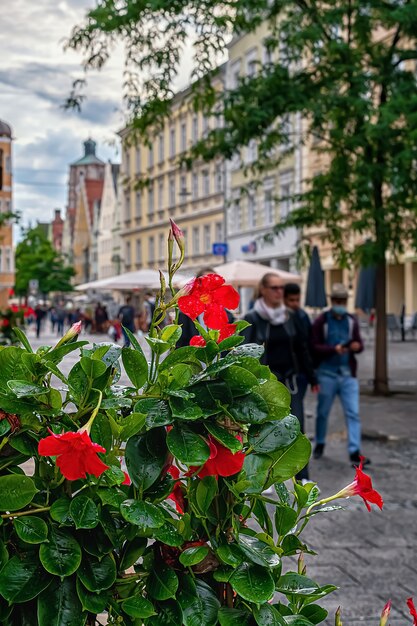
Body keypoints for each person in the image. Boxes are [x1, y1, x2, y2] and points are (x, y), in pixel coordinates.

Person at [243, 273, 318, 481]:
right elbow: (246, 353)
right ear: (264, 290)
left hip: (291, 380)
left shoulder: (289, 317)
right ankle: (262, 476)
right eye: (274, 288)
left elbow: (302, 348)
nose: (279, 292)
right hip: (267, 385)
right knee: (264, 431)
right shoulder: (253, 318)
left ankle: (303, 476)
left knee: (298, 426)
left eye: (281, 288)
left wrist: (312, 378)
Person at [311, 283, 368, 465]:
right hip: (326, 373)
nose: (340, 303)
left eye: (343, 301)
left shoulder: (351, 320)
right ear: (332, 301)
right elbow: (314, 346)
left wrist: (356, 347)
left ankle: (354, 451)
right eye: (337, 300)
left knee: (353, 413)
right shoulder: (322, 321)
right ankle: (320, 443)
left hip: (347, 374)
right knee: (322, 412)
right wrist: (332, 349)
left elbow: (359, 343)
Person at [177, 267, 235, 347]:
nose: (209, 284)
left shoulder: (228, 316)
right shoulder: (185, 315)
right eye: (205, 280)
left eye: (213, 281)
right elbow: (179, 344)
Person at [284, 282, 313, 420]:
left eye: (297, 300)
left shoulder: (302, 316)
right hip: (286, 373)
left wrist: (312, 375)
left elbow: (308, 344)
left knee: (297, 410)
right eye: (291, 300)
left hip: (301, 372)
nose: (295, 303)